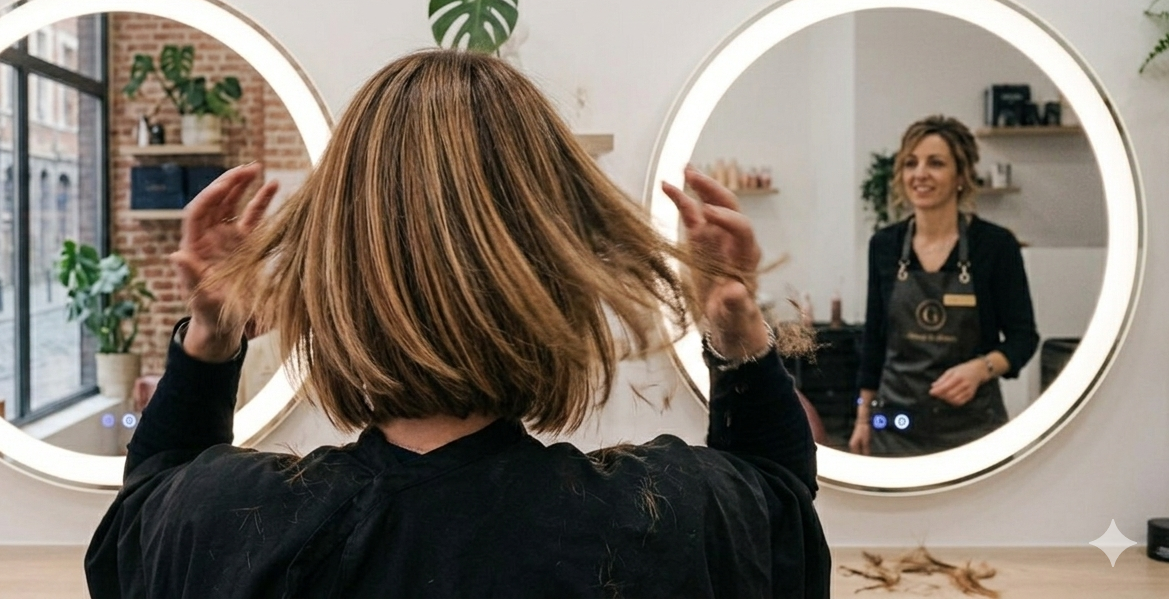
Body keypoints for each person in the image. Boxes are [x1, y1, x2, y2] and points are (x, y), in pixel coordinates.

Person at [86, 50, 830, 598]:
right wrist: (737, 338)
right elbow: (781, 511)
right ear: (557, 272)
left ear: (333, 271)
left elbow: (141, 518)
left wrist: (211, 343)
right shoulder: (668, 520)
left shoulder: (222, 524)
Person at [848, 116, 1039, 457]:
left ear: (961, 176)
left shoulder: (994, 245)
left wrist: (981, 368)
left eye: (935, 163)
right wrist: (863, 417)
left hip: (973, 427)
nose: (919, 174)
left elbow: (1024, 337)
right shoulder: (885, 245)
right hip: (895, 426)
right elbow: (874, 338)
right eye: (911, 163)